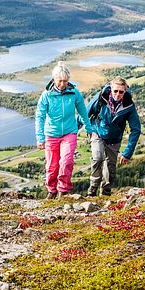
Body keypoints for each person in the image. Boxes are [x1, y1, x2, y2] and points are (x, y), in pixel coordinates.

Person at [36, 62, 93, 199]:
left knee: (66, 161)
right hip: (51, 134)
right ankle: (52, 190)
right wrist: (40, 138)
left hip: (69, 132)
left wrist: (88, 128)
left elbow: (83, 112)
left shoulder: (74, 92)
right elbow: (40, 116)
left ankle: (63, 190)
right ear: (54, 79)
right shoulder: (46, 95)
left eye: (65, 81)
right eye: (60, 81)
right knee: (52, 166)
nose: (62, 84)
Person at [86, 76, 141, 197]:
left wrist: (127, 153)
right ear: (111, 89)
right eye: (115, 91)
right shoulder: (101, 98)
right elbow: (86, 112)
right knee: (98, 157)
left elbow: (136, 130)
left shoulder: (129, 106)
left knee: (110, 168)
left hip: (114, 138)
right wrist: (82, 128)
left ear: (125, 91)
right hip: (97, 132)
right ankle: (93, 189)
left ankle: (105, 193)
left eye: (121, 92)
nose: (117, 94)